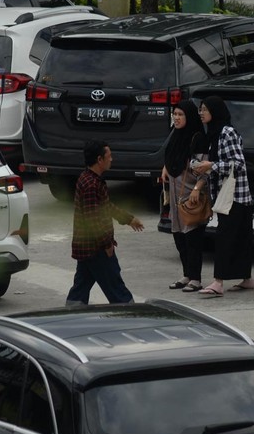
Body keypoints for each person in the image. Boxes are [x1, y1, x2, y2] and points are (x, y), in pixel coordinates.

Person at [66, 140, 144, 305]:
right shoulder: (91, 184)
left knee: (80, 288)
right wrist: (107, 244)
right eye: (109, 156)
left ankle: (70, 316)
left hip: (87, 246)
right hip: (96, 248)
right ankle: (131, 315)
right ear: (99, 159)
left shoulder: (91, 179)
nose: (112, 159)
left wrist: (128, 219)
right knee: (116, 288)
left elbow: (106, 207)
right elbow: (93, 219)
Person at [194, 95, 254, 297]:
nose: (201, 113)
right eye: (200, 109)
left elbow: (238, 163)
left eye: (204, 109)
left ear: (215, 111)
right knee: (240, 237)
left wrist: (211, 165)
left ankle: (218, 282)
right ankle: (246, 279)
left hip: (235, 196)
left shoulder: (226, 133)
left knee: (225, 238)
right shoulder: (214, 134)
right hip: (227, 195)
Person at [161, 100, 208, 292]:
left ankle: (195, 278)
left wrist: (197, 188)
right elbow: (171, 156)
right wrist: (165, 167)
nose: (177, 118)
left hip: (190, 194)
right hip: (174, 194)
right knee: (178, 235)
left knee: (193, 237)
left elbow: (203, 168)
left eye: (181, 115)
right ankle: (186, 274)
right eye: (175, 114)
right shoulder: (175, 135)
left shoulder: (197, 138)